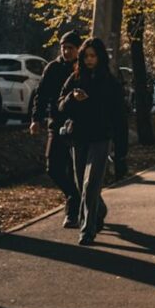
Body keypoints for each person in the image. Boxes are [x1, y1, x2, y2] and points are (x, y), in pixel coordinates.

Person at [58, 37, 121, 246]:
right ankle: (99, 210)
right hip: (79, 137)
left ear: (100, 57)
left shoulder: (110, 81)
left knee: (90, 183)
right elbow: (60, 105)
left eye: (92, 56)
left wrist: (121, 148)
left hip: (101, 138)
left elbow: (119, 113)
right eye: (86, 56)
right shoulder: (75, 78)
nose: (88, 60)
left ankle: (87, 230)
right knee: (80, 185)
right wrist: (72, 99)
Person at [29, 31, 82, 228]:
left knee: (74, 169)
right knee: (53, 168)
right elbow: (40, 95)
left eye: (71, 48)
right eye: (64, 47)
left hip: (78, 127)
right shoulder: (53, 68)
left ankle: (72, 212)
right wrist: (36, 119)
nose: (66, 51)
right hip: (56, 123)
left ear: (78, 49)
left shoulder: (82, 68)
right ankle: (73, 195)